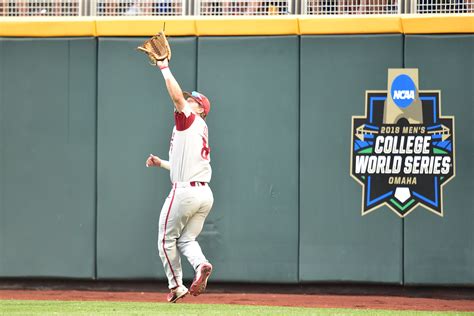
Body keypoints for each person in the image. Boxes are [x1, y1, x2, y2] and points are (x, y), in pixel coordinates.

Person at [145, 58, 214, 303]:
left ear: (200, 109)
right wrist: (161, 163)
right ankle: (201, 264)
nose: (188, 101)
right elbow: (181, 165)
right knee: (187, 239)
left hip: (185, 192)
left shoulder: (190, 119)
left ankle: (176, 287)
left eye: (193, 101)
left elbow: (175, 98)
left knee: (165, 239)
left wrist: (164, 67)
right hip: (204, 194)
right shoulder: (199, 129)